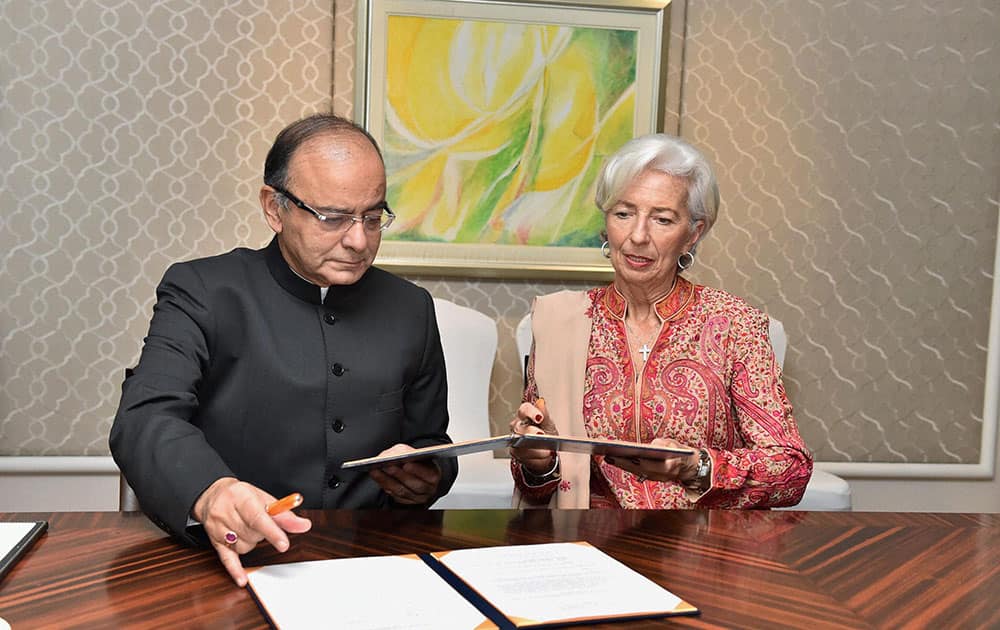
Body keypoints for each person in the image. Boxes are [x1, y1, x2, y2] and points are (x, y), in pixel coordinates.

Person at [110, 113, 457, 586]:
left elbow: (429, 441)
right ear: (274, 208)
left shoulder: (411, 308)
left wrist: (427, 478)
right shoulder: (203, 290)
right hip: (233, 563)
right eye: (333, 218)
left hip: (372, 564)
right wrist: (213, 493)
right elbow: (145, 417)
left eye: (373, 217)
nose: (358, 240)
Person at [509, 133, 813, 509]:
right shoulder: (560, 322)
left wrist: (695, 467)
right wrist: (541, 464)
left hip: (705, 551)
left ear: (693, 234)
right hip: (593, 546)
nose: (638, 236)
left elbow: (790, 470)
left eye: (662, 219)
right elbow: (537, 487)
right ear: (606, 226)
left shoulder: (735, 325)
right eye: (624, 214)